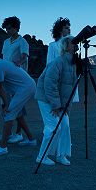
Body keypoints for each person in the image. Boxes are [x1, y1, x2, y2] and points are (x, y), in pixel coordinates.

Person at [0, 52, 37, 157]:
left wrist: (6, 104)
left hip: (25, 88)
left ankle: (3, 147)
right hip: (24, 88)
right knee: (17, 114)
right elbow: (3, 88)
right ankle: (31, 139)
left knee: (9, 114)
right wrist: (6, 103)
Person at [35, 35, 78, 166]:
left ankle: (61, 155)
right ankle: (41, 156)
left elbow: (67, 89)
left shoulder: (72, 63)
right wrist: (55, 105)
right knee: (53, 127)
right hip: (46, 98)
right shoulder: (58, 62)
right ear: (66, 46)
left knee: (65, 125)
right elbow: (49, 84)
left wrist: (64, 107)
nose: (76, 44)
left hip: (58, 101)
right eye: (73, 42)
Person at [1, 16, 29, 143]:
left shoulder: (22, 42)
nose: (8, 30)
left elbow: (24, 55)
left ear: (17, 28)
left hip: (18, 78)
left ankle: (19, 133)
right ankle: (8, 133)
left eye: (10, 28)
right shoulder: (6, 42)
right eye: (6, 28)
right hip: (5, 77)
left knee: (17, 105)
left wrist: (19, 62)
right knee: (5, 104)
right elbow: (3, 56)